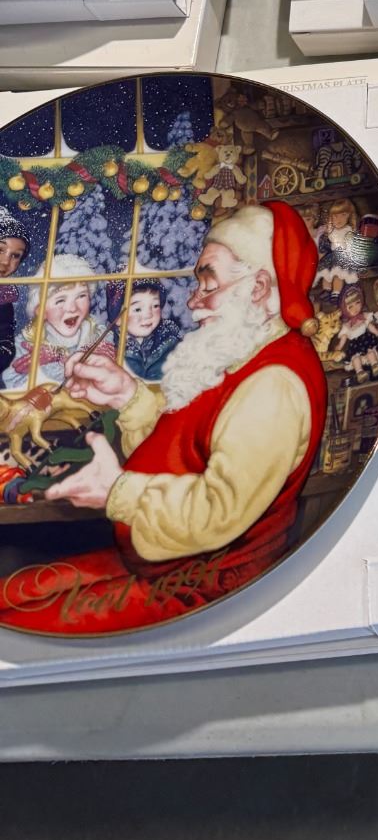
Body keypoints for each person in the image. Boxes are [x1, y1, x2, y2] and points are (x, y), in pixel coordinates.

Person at [0, 202, 329, 634]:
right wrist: (129, 397)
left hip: (207, 590)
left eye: (208, 285)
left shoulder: (274, 385)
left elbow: (217, 512)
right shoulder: (239, 352)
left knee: (16, 619)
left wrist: (116, 491)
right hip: (162, 565)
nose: (194, 302)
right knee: (11, 594)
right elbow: (184, 451)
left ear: (258, 288)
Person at [3, 256, 116, 390]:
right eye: (60, 300)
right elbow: (12, 384)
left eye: (81, 296)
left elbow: (109, 376)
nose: (72, 308)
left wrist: (60, 357)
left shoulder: (99, 335)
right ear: (40, 310)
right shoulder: (26, 343)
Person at [119, 279, 184, 383]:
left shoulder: (171, 344)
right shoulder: (111, 348)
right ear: (118, 318)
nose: (149, 315)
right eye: (137, 309)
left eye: (155, 306)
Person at [0, 210, 30, 384]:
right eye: (0, 249)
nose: (5, 262)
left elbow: (6, 346)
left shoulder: (3, 301)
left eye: (15, 255)